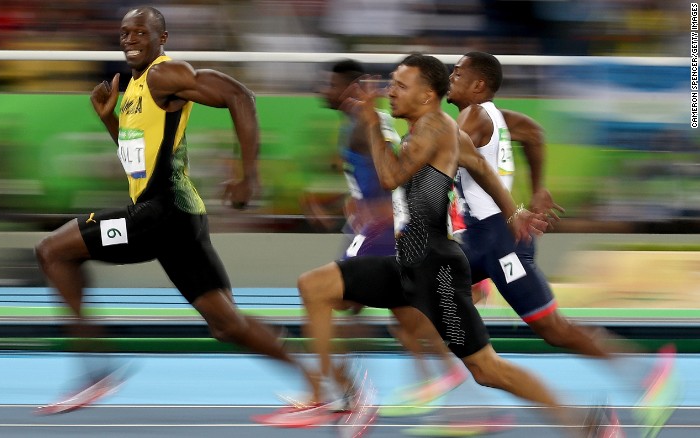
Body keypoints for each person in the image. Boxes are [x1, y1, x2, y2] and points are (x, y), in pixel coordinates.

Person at [258, 53, 619, 436]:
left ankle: (587, 424)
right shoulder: (440, 130)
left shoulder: (433, 128)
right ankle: (334, 396)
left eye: (400, 85)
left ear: (428, 95)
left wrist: (372, 125)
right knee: (315, 286)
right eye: (392, 84)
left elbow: (390, 176)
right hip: (408, 262)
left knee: (487, 370)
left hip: (436, 271)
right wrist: (515, 214)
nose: (390, 92)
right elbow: (482, 169)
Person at [33, 6, 322, 414]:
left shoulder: (163, 75)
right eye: (124, 33)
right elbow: (139, 162)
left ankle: (95, 370)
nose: (130, 39)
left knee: (52, 251)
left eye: (140, 33)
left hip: (160, 214)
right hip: (175, 220)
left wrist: (248, 175)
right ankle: (320, 386)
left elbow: (240, 95)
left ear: (162, 38)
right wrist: (109, 121)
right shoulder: (133, 88)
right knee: (226, 325)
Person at [448, 50, 676, 428]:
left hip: (497, 242)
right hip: (486, 239)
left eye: (457, 74)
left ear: (479, 85)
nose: (450, 78)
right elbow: (535, 133)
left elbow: (445, 158)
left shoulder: (472, 116)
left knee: (554, 329)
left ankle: (649, 377)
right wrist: (539, 189)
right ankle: (471, 400)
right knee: (427, 298)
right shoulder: (498, 118)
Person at [311, 59, 467, 407]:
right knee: (397, 312)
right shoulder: (358, 124)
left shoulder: (365, 126)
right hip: (372, 226)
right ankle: (438, 373)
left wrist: (380, 211)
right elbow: (370, 178)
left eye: (331, 84)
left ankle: (344, 388)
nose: (324, 89)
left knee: (337, 298)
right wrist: (344, 201)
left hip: (380, 229)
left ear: (350, 89)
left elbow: (395, 176)